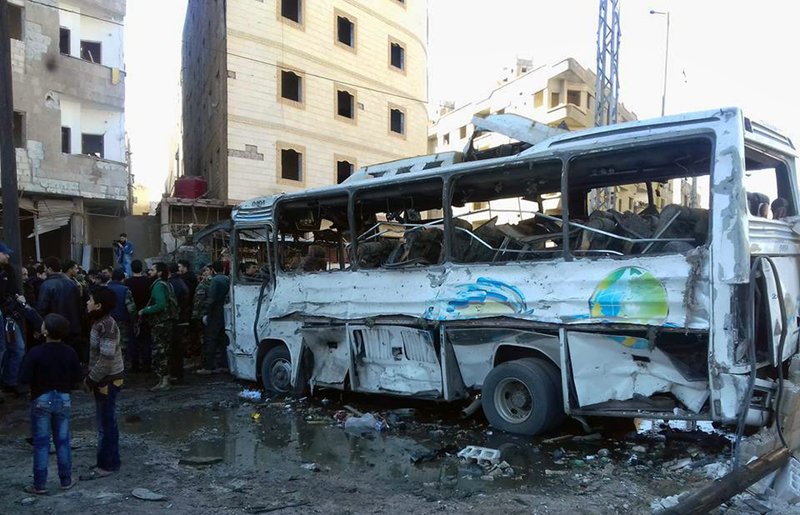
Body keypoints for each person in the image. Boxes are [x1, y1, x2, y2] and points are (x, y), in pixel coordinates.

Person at [18, 313, 82, 494]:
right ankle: (66, 480)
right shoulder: (70, 352)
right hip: (63, 399)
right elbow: (77, 377)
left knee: (41, 443)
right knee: (62, 441)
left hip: (41, 399)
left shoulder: (35, 352)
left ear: (45, 331)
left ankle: (39, 484)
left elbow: (23, 377)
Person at [84, 286, 124, 478]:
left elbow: (106, 359)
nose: (87, 303)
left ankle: (108, 464)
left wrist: (91, 379)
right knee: (105, 422)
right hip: (104, 379)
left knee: (106, 423)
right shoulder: (99, 322)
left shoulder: (106, 325)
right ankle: (107, 461)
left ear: (98, 305)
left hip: (107, 380)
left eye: (89, 300)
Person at [138, 262, 177, 390]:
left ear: (159, 272)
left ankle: (164, 380)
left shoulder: (159, 286)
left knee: (160, 353)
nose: (149, 272)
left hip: (161, 323)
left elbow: (160, 305)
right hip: (166, 322)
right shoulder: (166, 284)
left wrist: (145, 310)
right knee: (164, 351)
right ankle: (163, 379)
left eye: (152, 270)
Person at [36, 257, 82, 351]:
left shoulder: (46, 285)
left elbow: (42, 308)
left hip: (54, 329)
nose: (44, 271)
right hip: (72, 327)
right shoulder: (72, 283)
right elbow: (79, 306)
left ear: (49, 269)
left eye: (45, 268)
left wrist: (38, 328)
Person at [0, 242, 27, 397]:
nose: (8, 256)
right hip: (6, 315)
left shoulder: (9, 270)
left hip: (9, 316)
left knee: (17, 348)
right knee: (5, 350)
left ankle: (10, 381)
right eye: (5, 253)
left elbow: (14, 290)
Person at [199, 261, 230, 374]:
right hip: (224, 312)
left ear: (213, 270)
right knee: (223, 340)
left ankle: (208, 366)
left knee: (211, 339)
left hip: (215, 312)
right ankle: (224, 364)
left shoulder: (215, 280)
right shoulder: (227, 279)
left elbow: (211, 298)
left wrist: (206, 313)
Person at [125, 260, 152, 372]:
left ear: (131, 268)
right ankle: (147, 364)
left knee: (133, 340)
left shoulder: (127, 282)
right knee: (146, 339)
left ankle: (135, 364)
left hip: (132, 314)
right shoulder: (148, 281)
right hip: (146, 313)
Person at [107, 268, 137, 369]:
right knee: (121, 348)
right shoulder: (125, 290)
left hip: (106, 322)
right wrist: (134, 321)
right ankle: (119, 372)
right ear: (123, 279)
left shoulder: (105, 288)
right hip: (122, 322)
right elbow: (131, 309)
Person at [167, 263, 189, 382]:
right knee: (177, 347)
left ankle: (175, 373)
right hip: (181, 316)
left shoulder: (172, 284)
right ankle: (177, 372)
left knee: (174, 347)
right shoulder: (180, 282)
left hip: (176, 318)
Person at [192, 265, 212, 371]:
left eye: (207, 270)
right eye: (203, 270)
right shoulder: (204, 283)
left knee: (205, 340)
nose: (205, 272)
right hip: (205, 315)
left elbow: (199, 302)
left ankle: (206, 364)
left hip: (203, 315)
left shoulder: (206, 284)